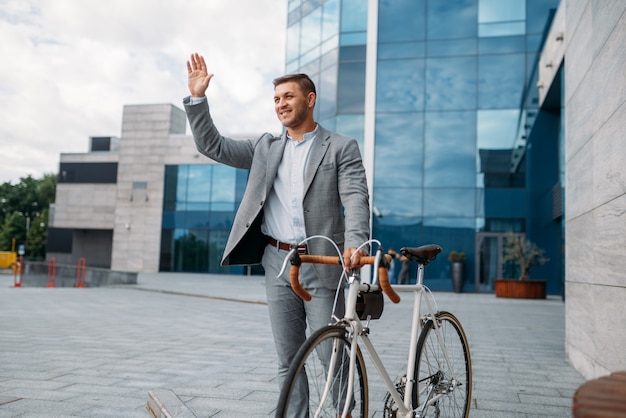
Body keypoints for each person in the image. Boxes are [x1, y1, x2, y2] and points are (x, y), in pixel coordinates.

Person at [184, 53, 370, 414]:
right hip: (278, 262)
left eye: (288, 96)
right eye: (276, 99)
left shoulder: (341, 147)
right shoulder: (264, 148)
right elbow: (213, 145)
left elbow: (355, 197)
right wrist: (198, 99)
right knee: (289, 358)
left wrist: (355, 243)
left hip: (323, 262)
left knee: (331, 356)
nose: (281, 104)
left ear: (310, 99)